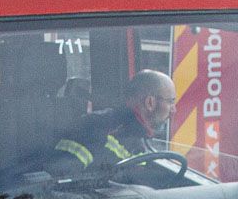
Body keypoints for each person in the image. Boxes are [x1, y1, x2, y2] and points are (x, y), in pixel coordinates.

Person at [46, 69, 177, 175]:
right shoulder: (93, 129)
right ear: (150, 102)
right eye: (170, 101)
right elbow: (61, 182)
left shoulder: (138, 136)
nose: (173, 110)